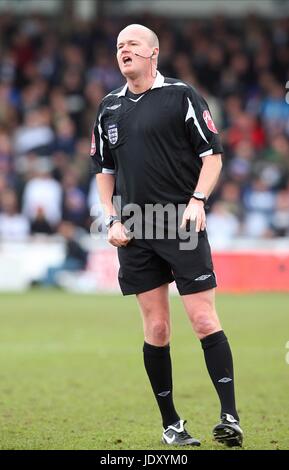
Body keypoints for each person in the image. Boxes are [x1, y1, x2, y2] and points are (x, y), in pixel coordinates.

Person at [91, 24, 243, 447]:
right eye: (119, 45)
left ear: (153, 52)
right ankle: (172, 424)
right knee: (156, 328)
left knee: (203, 319)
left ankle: (230, 416)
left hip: (181, 224)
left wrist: (197, 200)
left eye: (133, 44)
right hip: (137, 229)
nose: (124, 50)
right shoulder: (108, 108)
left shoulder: (181, 95)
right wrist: (112, 218)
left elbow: (211, 155)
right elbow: (104, 172)